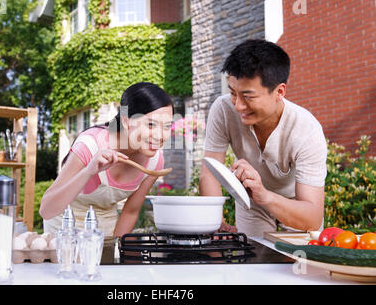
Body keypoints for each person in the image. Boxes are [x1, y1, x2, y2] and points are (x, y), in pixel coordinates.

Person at [200, 39, 327, 237]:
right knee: (254, 258)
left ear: (279, 92)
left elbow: (312, 218)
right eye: (233, 93)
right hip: (250, 199)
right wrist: (215, 222)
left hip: (296, 204)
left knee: (295, 262)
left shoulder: (307, 130)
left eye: (248, 97)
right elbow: (209, 171)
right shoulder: (223, 109)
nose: (238, 106)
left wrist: (265, 196)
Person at [40, 82, 174, 237]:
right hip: (64, 229)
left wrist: (117, 250)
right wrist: (89, 171)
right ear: (125, 121)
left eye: (166, 126)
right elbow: (46, 209)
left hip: (105, 231)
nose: (160, 136)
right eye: (151, 125)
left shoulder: (155, 162)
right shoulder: (90, 145)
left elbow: (131, 212)